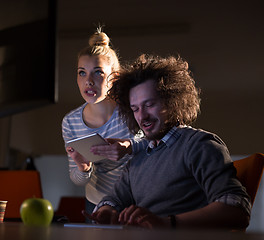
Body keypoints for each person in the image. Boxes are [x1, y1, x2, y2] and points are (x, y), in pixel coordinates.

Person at [85, 54, 251, 230]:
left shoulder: (199, 145)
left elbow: (237, 210)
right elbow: (113, 200)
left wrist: (166, 223)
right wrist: (107, 211)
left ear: (172, 102)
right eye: (135, 109)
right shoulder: (138, 160)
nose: (142, 116)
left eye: (149, 105)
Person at [61, 29, 146, 219]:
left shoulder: (131, 110)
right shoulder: (70, 122)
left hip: (137, 200)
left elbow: (156, 148)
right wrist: (83, 168)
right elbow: (77, 179)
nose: (88, 81)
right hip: (97, 203)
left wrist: (129, 147)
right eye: (81, 73)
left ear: (114, 77)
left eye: (98, 73)